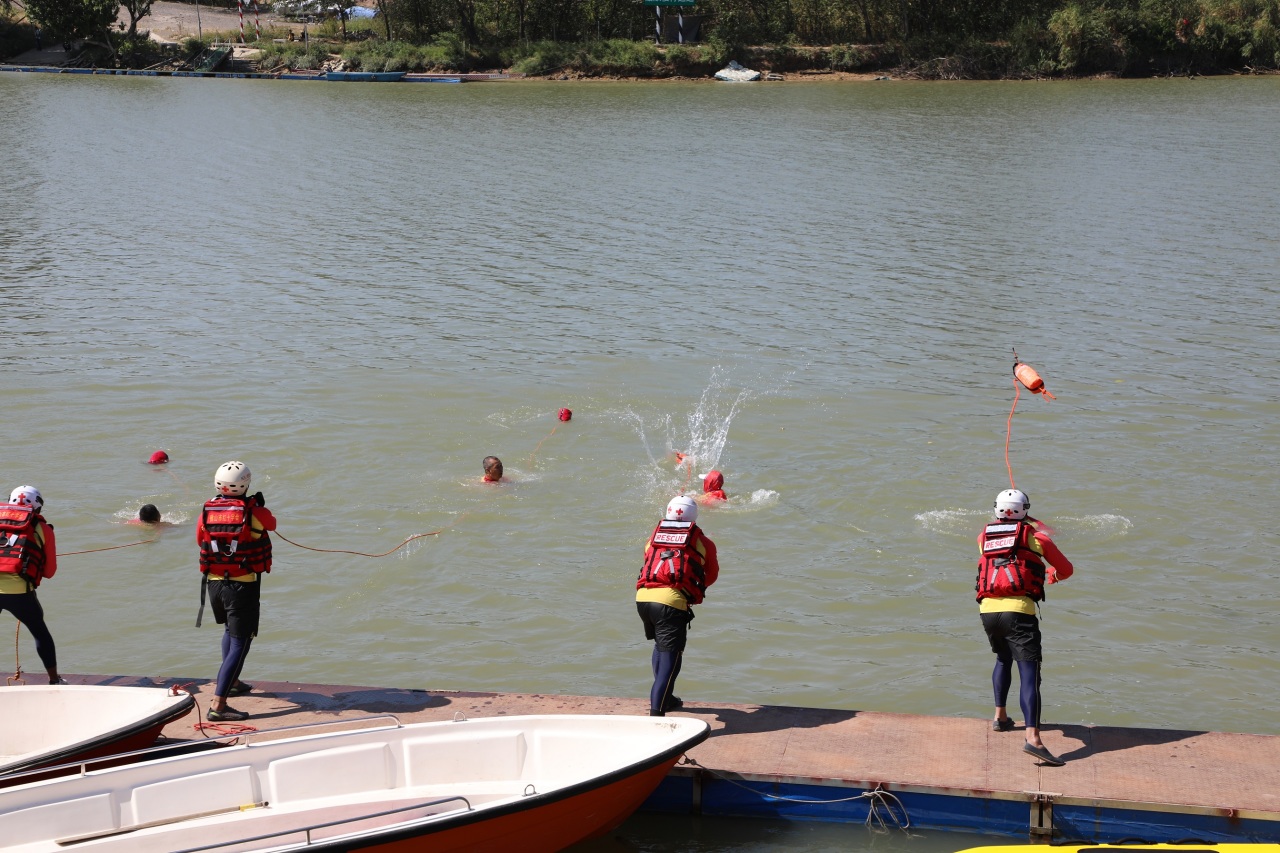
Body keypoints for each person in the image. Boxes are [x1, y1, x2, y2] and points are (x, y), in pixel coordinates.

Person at [975, 488, 1074, 766]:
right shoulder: (1038, 538)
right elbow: (1066, 569)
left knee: (1002, 658)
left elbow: (1004, 550)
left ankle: (1000, 717)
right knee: (1029, 672)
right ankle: (1033, 739)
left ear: (996, 510)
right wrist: (1052, 576)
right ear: (1026, 511)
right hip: (1019, 612)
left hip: (988, 611)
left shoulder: (983, 538)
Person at [196, 461, 276, 722]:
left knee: (229, 633)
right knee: (242, 642)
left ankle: (233, 682)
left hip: (215, 585)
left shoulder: (207, 509)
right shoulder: (253, 512)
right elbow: (272, 524)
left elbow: (200, 539)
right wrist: (258, 507)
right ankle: (219, 705)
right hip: (243, 586)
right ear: (246, 484)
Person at [635, 495, 719, 716]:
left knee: (660, 648)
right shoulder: (703, 542)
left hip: (643, 599)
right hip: (671, 603)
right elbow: (711, 575)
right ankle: (656, 714)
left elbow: (649, 562)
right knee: (672, 660)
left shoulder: (653, 538)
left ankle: (667, 698)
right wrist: (691, 590)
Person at [0, 486, 63, 685]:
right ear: (38, 507)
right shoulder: (42, 528)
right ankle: (54, 680)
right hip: (20, 593)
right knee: (40, 633)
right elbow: (49, 572)